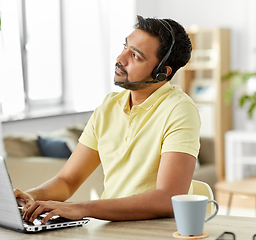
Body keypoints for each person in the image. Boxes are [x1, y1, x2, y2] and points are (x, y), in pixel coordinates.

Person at [14, 15, 200, 224]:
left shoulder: (179, 109)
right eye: (125, 47)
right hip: (110, 228)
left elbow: (168, 199)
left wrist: (81, 208)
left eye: (136, 56)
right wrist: (31, 196)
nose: (121, 58)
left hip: (154, 230)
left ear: (161, 74)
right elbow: (68, 180)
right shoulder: (108, 107)